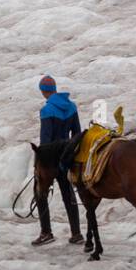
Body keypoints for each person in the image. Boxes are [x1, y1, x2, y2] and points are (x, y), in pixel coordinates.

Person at [35, 75, 84, 246]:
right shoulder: (71, 107)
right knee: (68, 193)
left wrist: (41, 161)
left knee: (40, 193)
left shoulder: (47, 110)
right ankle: (76, 233)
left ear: (43, 91)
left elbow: (46, 140)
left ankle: (46, 232)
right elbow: (77, 134)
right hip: (66, 158)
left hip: (50, 161)